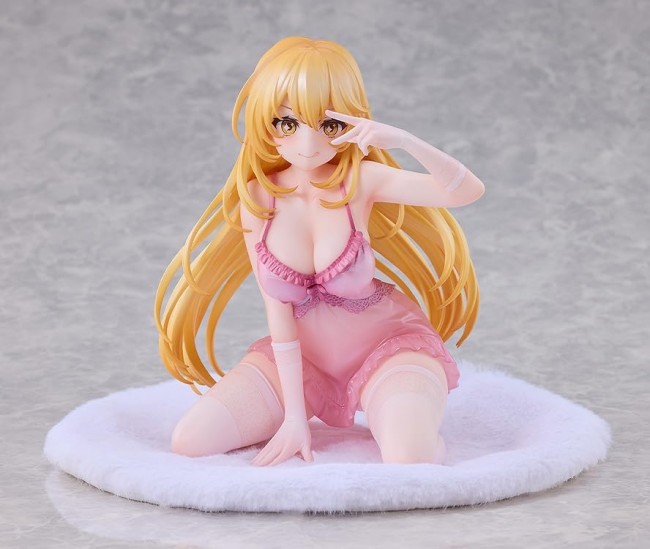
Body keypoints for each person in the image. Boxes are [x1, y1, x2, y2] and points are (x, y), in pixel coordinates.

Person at [155, 36, 485, 467]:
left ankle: (414, 423)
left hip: (388, 349)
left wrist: (404, 140)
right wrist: (295, 417)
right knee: (191, 440)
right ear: (264, 121)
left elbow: (466, 191)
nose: (308, 144)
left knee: (410, 458)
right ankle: (337, 412)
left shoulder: (361, 180)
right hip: (304, 361)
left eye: (328, 125)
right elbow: (277, 312)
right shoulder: (257, 197)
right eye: (287, 123)